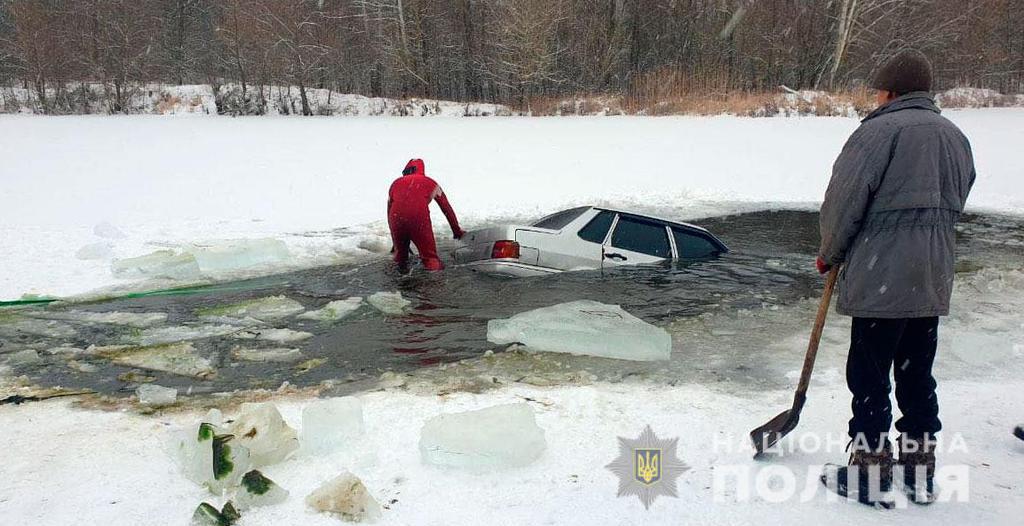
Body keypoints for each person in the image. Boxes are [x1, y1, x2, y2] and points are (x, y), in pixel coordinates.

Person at [816, 50, 976, 507]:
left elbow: (844, 202)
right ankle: (918, 469)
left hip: (880, 273)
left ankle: (868, 473)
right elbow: (959, 196)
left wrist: (829, 253)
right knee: (916, 372)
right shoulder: (955, 136)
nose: (877, 96)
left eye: (879, 89)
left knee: (869, 375)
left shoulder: (877, 132)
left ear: (890, 91)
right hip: (931, 275)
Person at [387, 158, 466, 271]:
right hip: (418, 219)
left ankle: (394, 285)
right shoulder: (430, 182)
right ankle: (436, 285)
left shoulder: (395, 184)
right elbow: (446, 208)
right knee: (430, 259)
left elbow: (389, 212)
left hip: (396, 220)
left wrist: (396, 240)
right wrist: (457, 231)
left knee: (400, 258)